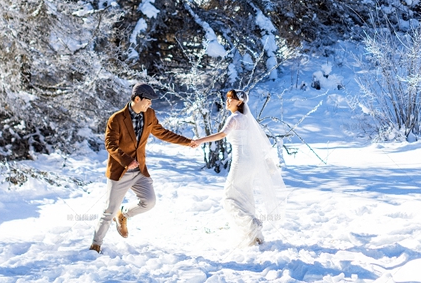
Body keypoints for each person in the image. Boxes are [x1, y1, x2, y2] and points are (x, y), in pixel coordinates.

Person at [89, 83, 197, 253]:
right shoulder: (116, 119)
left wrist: (187, 141)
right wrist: (126, 160)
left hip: (139, 171)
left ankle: (124, 214)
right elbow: (110, 144)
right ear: (137, 99)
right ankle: (96, 244)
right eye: (148, 100)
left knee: (149, 202)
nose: (150, 104)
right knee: (109, 210)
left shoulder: (150, 115)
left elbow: (163, 133)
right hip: (120, 172)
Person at [192, 90, 287, 246]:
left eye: (231, 99)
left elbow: (222, 135)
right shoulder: (246, 119)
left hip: (241, 161)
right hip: (251, 162)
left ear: (240, 102)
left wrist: (199, 140)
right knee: (244, 195)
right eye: (227, 99)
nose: (227, 102)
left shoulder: (235, 118)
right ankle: (253, 236)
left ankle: (253, 226)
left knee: (229, 198)